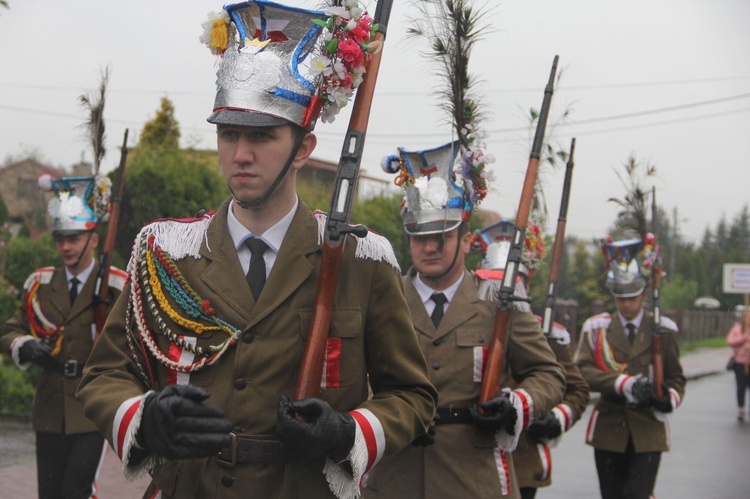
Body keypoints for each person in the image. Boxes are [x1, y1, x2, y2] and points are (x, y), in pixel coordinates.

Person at [76, 2, 437, 498]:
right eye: (229, 135)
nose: (241, 154)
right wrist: (145, 420)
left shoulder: (362, 259)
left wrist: (347, 432)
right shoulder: (164, 251)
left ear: (303, 148)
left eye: (262, 136)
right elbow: (104, 373)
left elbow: (412, 396)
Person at [362, 134, 566, 498]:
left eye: (441, 235)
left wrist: (516, 405)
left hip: (473, 477)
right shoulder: (381, 298)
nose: (428, 247)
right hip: (395, 476)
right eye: (418, 235)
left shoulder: (499, 300)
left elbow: (548, 373)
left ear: (467, 240)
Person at [0, 174, 126, 499]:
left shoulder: (115, 287)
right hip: (50, 406)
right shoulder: (41, 285)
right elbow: (11, 329)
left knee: (77, 490)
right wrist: (25, 346)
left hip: (91, 406)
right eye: (60, 239)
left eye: (73, 238)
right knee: (51, 493)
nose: (66, 247)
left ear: (93, 240)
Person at [473, 219, 590, 499]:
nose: (503, 290)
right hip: (468, 457)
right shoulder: (465, 325)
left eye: (513, 281)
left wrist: (555, 418)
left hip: (522, 460)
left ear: (527, 280)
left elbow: (577, 390)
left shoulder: (549, 334)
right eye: (494, 279)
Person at [576, 238, 686, 499]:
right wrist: (622, 383)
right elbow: (582, 371)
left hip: (649, 428)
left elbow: (676, 378)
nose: (626, 304)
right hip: (610, 427)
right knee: (612, 494)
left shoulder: (664, 330)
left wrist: (666, 398)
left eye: (632, 297)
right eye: (620, 298)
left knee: (639, 493)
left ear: (644, 294)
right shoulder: (596, 328)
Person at [726, 309, 750, 421]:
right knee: (741, 386)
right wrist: (742, 339)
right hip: (740, 363)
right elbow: (730, 341)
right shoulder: (737, 329)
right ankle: (741, 408)